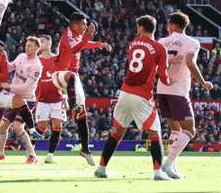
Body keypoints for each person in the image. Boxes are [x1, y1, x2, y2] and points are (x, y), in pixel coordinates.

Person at [95, 15, 172, 181]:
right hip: (142, 95)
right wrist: (171, 78)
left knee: (117, 133)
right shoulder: (159, 48)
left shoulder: (133, 44)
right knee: (155, 134)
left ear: (142, 29)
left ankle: (101, 168)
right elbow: (164, 77)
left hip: (124, 93)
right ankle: (158, 173)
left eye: (138, 28)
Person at [157, 12, 213, 179]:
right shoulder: (191, 42)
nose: (167, 28)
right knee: (189, 130)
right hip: (178, 91)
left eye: (168, 25)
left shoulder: (161, 42)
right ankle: (167, 164)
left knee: (176, 129)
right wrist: (203, 83)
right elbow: (190, 63)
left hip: (162, 89)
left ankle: (172, 168)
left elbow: (155, 66)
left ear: (173, 26)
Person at [51, 12, 112, 166]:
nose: (86, 27)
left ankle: (85, 148)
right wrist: (89, 35)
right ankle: (73, 106)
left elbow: (82, 45)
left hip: (72, 78)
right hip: (59, 74)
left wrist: (98, 44)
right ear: (76, 25)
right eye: (84, 24)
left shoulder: (77, 36)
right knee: (71, 75)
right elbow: (73, 50)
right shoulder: (68, 34)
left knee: (82, 114)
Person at [0, 36, 43, 165]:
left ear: (37, 48)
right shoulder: (21, 56)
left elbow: (26, 86)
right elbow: (10, 67)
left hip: (27, 100)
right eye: (26, 45)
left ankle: (32, 155)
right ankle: (0, 154)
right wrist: (2, 60)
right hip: (13, 97)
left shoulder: (37, 66)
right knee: (2, 126)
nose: (27, 47)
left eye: (30, 46)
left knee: (18, 127)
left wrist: (8, 86)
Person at [34, 35, 67, 164]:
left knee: (57, 127)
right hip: (42, 99)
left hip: (57, 99)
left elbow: (64, 77)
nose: (39, 43)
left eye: (41, 41)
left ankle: (50, 155)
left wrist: (65, 95)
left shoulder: (57, 60)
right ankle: (31, 149)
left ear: (49, 44)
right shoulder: (35, 61)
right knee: (42, 128)